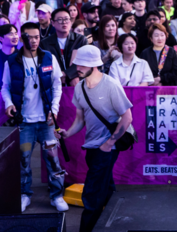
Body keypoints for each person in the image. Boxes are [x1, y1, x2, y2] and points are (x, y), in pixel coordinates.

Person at [55, 46, 134, 232]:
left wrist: (109, 143)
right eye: (77, 64)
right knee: (105, 188)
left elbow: (127, 117)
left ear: (94, 65)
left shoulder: (111, 85)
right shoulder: (79, 88)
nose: (78, 68)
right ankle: (114, 223)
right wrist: (68, 133)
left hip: (107, 147)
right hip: (92, 147)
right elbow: (80, 119)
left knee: (91, 194)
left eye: (82, 64)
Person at [0, 22, 67, 213]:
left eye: (37, 37)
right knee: (23, 160)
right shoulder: (12, 61)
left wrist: (54, 109)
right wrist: (8, 104)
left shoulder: (48, 58)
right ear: (23, 39)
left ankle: (57, 195)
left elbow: (57, 86)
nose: (35, 40)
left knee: (53, 160)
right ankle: (24, 194)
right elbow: (4, 87)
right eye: (30, 37)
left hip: (46, 122)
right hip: (25, 122)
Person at [41, 8, 87, 87]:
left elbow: (85, 61)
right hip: (55, 83)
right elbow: (44, 66)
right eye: (60, 20)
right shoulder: (45, 43)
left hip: (77, 82)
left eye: (66, 19)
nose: (64, 22)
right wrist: (58, 74)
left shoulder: (80, 40)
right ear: (53, 23)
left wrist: (67, 74)